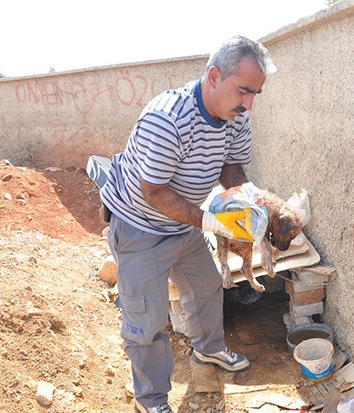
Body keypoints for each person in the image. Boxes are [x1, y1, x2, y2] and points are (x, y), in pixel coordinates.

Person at [100, 35, 275, 413]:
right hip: (139, 226)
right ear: (214, 76)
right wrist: (214, 222)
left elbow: (231, 165)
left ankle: (210, 351)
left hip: (183, 222)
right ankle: (151, 400)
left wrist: (244, 199)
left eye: (255, 94)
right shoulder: (168, 119)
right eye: (244, 91)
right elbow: (155, 193)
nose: (249, 104)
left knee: (207, 286)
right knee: (146, 322)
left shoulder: (234, 116)